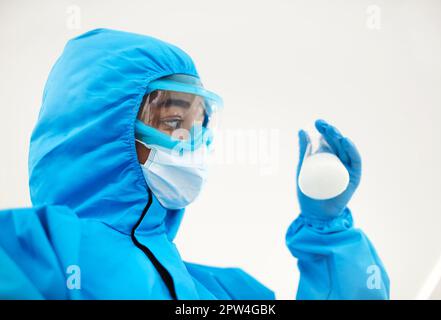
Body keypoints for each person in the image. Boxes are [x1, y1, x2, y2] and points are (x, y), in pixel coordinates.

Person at [0, 29, 389, 299]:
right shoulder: (39, 252)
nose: (192, 143)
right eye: (172, 121)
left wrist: (328, 232)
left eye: (199, 125)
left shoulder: (223, 292)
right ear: (96, 129)